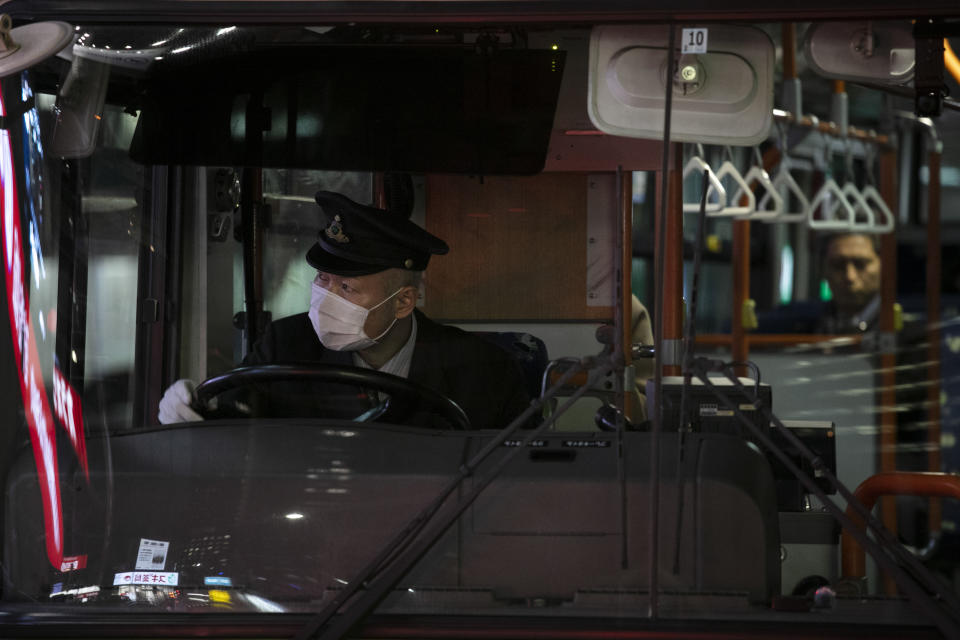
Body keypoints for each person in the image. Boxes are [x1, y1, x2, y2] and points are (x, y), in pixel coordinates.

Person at [158, 191, 532, 429]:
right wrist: (192, 408)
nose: (326, 296)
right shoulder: (286, 346)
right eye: (323, 279)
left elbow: (516, 476)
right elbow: (238, 414)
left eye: (347, 287)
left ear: (403, 301)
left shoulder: (484, 372)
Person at [818, 232, 881, 334]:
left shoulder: (906, 333)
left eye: (861, 264)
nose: (850, 277)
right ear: (824, 270)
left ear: (884, 266)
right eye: (838, 265)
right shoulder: (804, 327)